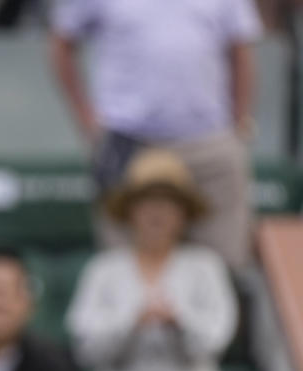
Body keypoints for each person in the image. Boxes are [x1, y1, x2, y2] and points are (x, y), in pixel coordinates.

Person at [49, 0, 263, 269]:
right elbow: (62, 43)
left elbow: (241, 49)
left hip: (209, 143)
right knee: (121, 267)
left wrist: (240, 122)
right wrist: (88, 121)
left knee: (224, 265)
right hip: (128, 141)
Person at [66, 149, 237, 371]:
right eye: (147, 202)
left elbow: (216, 339)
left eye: (168, 203)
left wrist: (178, 320)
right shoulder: (103, 270)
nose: (157, 212)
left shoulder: (206, 267)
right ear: (131, 210)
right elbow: (85, 344)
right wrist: (132, 321)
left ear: (184, 213)